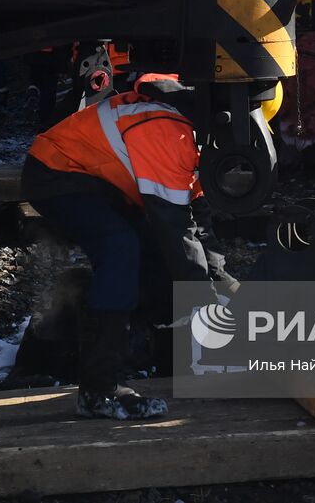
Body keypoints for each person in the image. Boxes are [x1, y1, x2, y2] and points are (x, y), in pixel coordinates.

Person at [20, 74, 228, 419]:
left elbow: (197, 223)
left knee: (156, 256)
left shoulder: (196, 132)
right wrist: (207, 302)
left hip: (103, 181)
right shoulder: (170, 133)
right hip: (57, 172)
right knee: (120, 247)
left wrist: (223, 283)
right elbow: (175, 228)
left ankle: (168, 363)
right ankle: (99, 389)